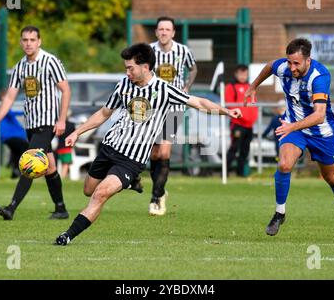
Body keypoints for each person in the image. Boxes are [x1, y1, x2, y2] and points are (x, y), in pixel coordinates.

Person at [54, 43, 240, 245]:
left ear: (145, 67)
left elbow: (199, 102)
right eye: (126, 67)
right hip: (109, 148)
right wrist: (77, 132)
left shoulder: (164, 89)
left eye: (130, 67)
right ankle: (131, 183)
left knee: (99, 194)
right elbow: (104, 113)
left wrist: (227, 111)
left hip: (131, 159)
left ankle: (68, 235)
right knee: (88, 190)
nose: (127, 72)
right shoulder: (123, 85)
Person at [244, 38, 334, 240]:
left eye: (296, 63)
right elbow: (271, 66)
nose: (291, 67)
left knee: (332, 178)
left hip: (320, 132)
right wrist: (253, 86)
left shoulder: (319, 76)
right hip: (294, 127)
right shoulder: (284, 67)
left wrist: (291, 126)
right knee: (285, 165)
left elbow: (319, 115)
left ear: (308, 60)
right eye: (289, 62)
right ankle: (280, 213)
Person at [0, 25, 71, 220]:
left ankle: (11, 208)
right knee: (49, 168)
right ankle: (61, 209)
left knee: (29, 162)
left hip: (48, 123)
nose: (28, 43)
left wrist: (61, 120)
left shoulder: (50, 61)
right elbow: (9, 97)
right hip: (31, 124)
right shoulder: (20, 67)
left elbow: (66, 90)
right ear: (20, 42)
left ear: (39, 41)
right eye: (25, 40)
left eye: (32, 40)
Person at [143, 16, 198, 216]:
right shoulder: (149, 51)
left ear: (173, 33)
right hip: (153, 107)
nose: (164, 32)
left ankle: (155, 197)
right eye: (161, 29)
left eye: (168, 29)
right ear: (156, 32)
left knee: (165, 153)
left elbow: (193, 69)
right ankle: (160, 190)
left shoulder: (183, 50)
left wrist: (186, 87)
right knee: (154, 154)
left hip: (174, 106)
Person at [225, 64, 258, 176]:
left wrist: (253, 118)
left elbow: (254, 105)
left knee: (245, 150)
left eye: (245, 74)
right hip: (237, 124)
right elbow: (229, 105)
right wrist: (241, 117)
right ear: (236, 74)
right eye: (241, 73)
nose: (243, 76)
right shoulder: (231, 87)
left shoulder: (250, 87)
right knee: (234, 148)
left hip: (249, 125)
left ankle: (240, 173)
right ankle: (225, 172)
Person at [0, 90, 29, 178]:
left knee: (16, 153)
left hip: (14, 136)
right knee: (25, 147)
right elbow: (11, 113)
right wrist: (26, 112)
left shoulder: (7, 109)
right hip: (10, 137)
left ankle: (15, 172)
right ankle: (22, 170)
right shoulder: (3, 108)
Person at [55, 113, 76, 179]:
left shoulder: (58, 125)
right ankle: (62, 177)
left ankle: (61, 176)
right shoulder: (71, 125)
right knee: (66, 163)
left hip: (59, 147)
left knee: (61, 163)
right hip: (67, 147)